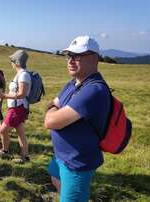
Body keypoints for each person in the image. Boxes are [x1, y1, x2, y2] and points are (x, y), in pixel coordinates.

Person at [44, 35, 111, 201]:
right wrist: (54, 109)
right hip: (62, 157)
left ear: (94, 58)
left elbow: (50, 121)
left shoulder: (94, 90)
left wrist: (53, 110)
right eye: (69, 56)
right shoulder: (73, 83)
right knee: (55, 178)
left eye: (77, 56)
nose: (70, 61)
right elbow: (53, 104)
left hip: (77, 164)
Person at [0, 50, 31, 164]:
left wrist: (3, 96)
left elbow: (22, 94)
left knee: (2, 130)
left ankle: (5, 151)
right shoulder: (20, 74)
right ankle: (25, 157)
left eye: (12, 60)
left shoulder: (24, 75)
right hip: (17, 107)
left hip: (18, 108)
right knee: (20, 132)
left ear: (16, 62)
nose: (11, 63)